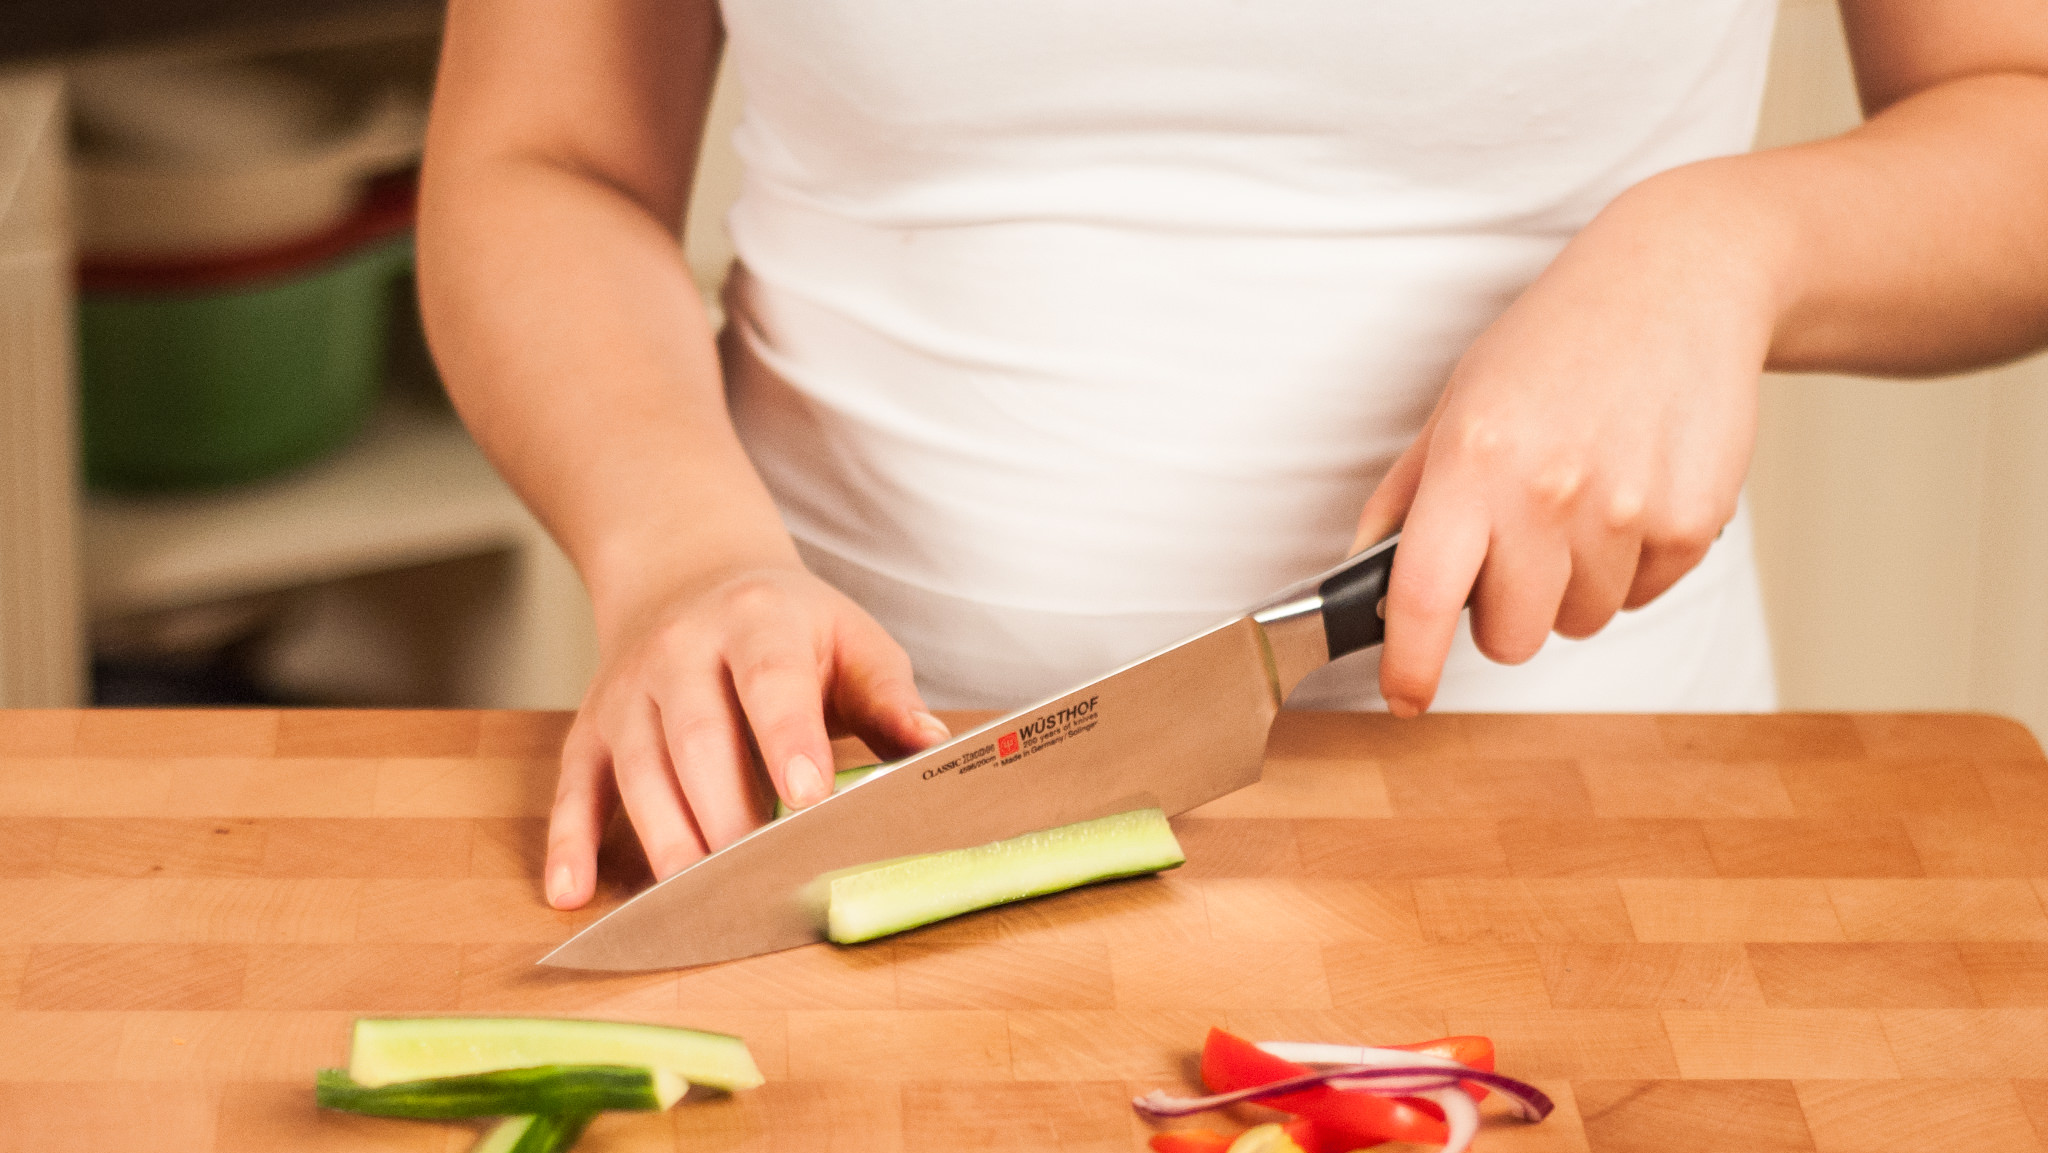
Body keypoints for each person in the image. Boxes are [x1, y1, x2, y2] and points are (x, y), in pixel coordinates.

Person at [417, 0, 2048, 911]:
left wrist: (1728, 246)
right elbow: (541, 161)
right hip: (834, 804)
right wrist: (685, 557)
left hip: (1585, 829)